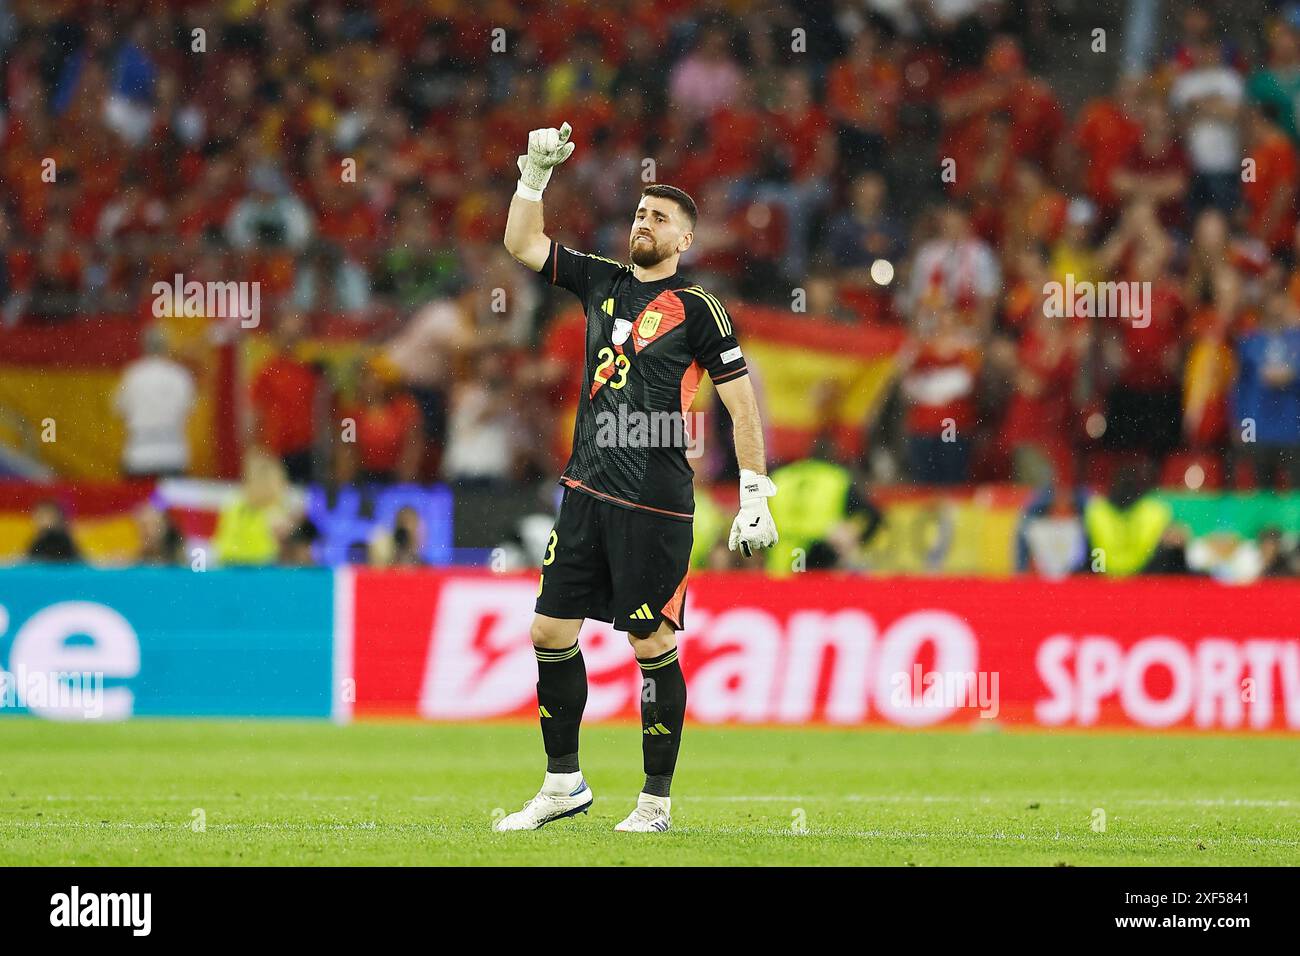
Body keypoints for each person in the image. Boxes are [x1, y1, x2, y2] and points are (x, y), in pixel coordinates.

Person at [498, 123, 778, 833]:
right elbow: (522, 245)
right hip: (585, 490)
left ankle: (655, 802)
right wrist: (533, 176)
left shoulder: (701, 308)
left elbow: (741, 400)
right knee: (548, 628)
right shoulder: (602, 280)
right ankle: (563, 784)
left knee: (650, 644)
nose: (642, 224)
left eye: (659, 218)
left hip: (654, 504)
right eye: (638, 214)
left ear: (685, 240)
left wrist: (754, 493)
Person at [113, 325, 196, 479]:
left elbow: (118, 409)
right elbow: (189, 409)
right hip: (173, 455)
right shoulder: (181, 376)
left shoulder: (133, 375)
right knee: (171, 504)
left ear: (143, 347)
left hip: (139, 455)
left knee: (139, 503)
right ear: (167, 347)